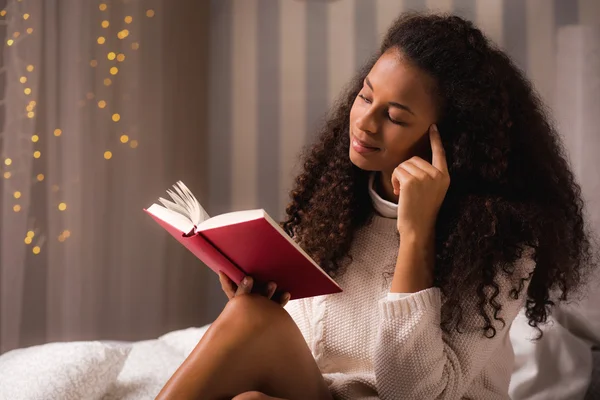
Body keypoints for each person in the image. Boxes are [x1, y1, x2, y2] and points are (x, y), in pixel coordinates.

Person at [157, 13, 595, 400]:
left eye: (396, 117)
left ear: (450, 141)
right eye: (366, 97)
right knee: (250, 351)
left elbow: (412, 394)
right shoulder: (335, 207)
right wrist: (269, 304)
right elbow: (315, 358)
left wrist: (417, 233)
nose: (364, 122)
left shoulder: (501, 244)